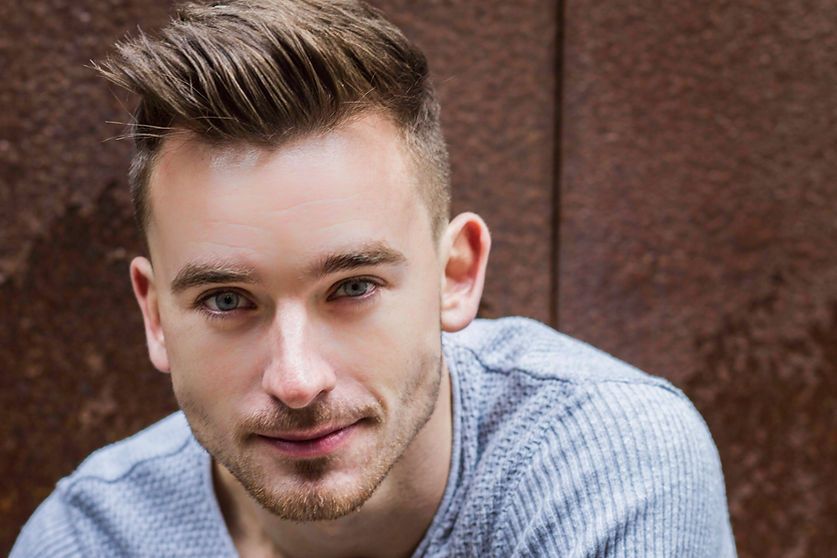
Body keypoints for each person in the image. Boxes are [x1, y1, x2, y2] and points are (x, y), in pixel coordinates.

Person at [12, 1, 737, 556]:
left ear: (456, 275)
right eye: (227, 300)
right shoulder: (92, 539)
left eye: (352, 287)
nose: (296, 382)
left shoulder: (604, 464)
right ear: (155, 316)